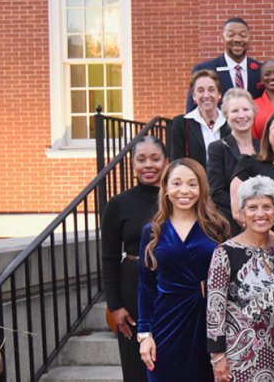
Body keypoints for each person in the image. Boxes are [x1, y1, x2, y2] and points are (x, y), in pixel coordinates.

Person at [137, 158, 231, 382]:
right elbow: (145, 287)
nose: (184, 190)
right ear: (166, 189)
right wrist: (145, 335)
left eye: (192, 184)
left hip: (209, 326)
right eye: (177, 183)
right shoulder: (152, 232)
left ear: (201, 188)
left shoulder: (218, 227)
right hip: (166, 326)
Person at [206, 176, 274, 382]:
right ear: (242, 212)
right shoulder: (225, 252)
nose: (260, 214)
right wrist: (218, 358)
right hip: (239, 359)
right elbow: (215, 310)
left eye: (267, 207)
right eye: (252, 207)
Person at [101, 136, 167, 382]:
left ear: (166, 162)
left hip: (172, 286)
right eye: (141, 159)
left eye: (155, 158)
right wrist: (115, 305)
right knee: (136, 364)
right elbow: (108, 258)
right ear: (132, 164)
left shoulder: (178, 199)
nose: (148, 165)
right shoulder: (118, 204)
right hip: (133, 287)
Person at [208, 89, 261, 236]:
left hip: (264, 222)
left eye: (246, 109)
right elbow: (216, 193)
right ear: (226, 116)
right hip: (231, 227)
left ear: (253, 113)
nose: (241, 115)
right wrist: (247, 210)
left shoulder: (264, 148)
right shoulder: (217, 148)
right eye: (235, 111)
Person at [187, 17, 263, 112]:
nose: (237, 39)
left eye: (243, 35)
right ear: (222, 38)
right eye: (231, 35)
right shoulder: (204, 70)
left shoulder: (261, 71)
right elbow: (192, 111)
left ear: (250, 39)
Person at [170, 70, 229, 166]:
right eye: (200, 90)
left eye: (211, 90)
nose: (206, 95)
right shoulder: (182, 124)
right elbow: (176, 162)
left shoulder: (230, 122)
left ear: (219, 94)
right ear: (194, 95)